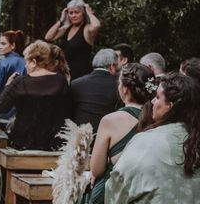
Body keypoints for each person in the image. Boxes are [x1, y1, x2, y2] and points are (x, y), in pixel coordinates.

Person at [106, 73, 200, 203]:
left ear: (170, 105)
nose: (152, 102)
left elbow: (117, 187)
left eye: (157, 97)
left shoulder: (144, 141)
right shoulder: (194, 138)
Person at [85, 63, 154, 204]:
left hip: (116, 194)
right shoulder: (158, 119)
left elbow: (97, 170)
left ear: (125, 89)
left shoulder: (110, 121)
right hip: (150, 189)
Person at [0, 41, 71, 151]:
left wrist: (8, 86)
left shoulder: (20, 82)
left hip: (22, 143)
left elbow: (0, 107)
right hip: (52, 144)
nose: (25, 66)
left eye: (27, 62)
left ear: (34, 62)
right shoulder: (60, 81)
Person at [45, 0, 101, 80]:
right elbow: (48, 37)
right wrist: (61, 20)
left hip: (80, 77)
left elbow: (96, 26)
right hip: (64, 75)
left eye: (77, 12)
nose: (73, 15)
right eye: (71, 13)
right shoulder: (67, 28)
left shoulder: (86, 29)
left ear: (83, 13)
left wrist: (89, 13)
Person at [70, 48, 120, 133]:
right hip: (106, 133)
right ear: (112, 66)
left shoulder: (76, 83)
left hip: (78, 135)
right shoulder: (118, 86)